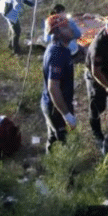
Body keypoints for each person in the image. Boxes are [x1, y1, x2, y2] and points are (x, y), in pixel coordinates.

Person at [41, 14, 77, 152]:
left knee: (53, 138)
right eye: (66, 27)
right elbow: (53, 88)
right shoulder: (56, 54)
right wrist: (66, 115)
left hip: (57, 104)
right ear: (57, 32)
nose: (71, 29)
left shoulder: (63, 49)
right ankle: (66, 171)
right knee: (63, 143)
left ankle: (50, 159)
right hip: (55, 107)